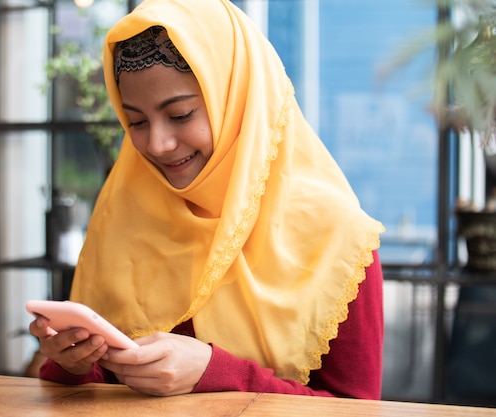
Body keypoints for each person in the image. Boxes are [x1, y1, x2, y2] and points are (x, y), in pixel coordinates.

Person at [30, 0, 386, 399]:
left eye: (180, 114)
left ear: (238, 104)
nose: (158, 145)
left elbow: (356, 408)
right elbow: (100, 387)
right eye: (136, 122)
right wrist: (72, 363)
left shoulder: (339, 239)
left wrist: (217, 373)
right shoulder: (126, 212)